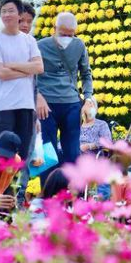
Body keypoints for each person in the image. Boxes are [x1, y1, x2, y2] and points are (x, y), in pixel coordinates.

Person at [0, 0, 43, 162]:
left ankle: (18, 181)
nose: (7, 15)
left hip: (26, 105)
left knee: (23, 155)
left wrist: (11, 65)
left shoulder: (29, 41)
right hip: (3, 106)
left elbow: (39, 67)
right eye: (3, 11)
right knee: (3, 155)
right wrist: (27, 70)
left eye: (11, 11)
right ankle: (1, 181)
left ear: (19, 14)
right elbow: (0, 73)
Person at [36, 11, 94, 165]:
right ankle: (49, 181)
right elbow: (29, 76)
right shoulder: (40, 46)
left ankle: (73, 181)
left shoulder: (79, 45)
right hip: (46, 105)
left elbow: (86, 73)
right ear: (54, 29)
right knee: (48, 153)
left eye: (70, 35)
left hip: (71, 103)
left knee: (73, 152)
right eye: (62, 34)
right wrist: (37, 95)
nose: (66, 38)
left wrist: (88, 98)